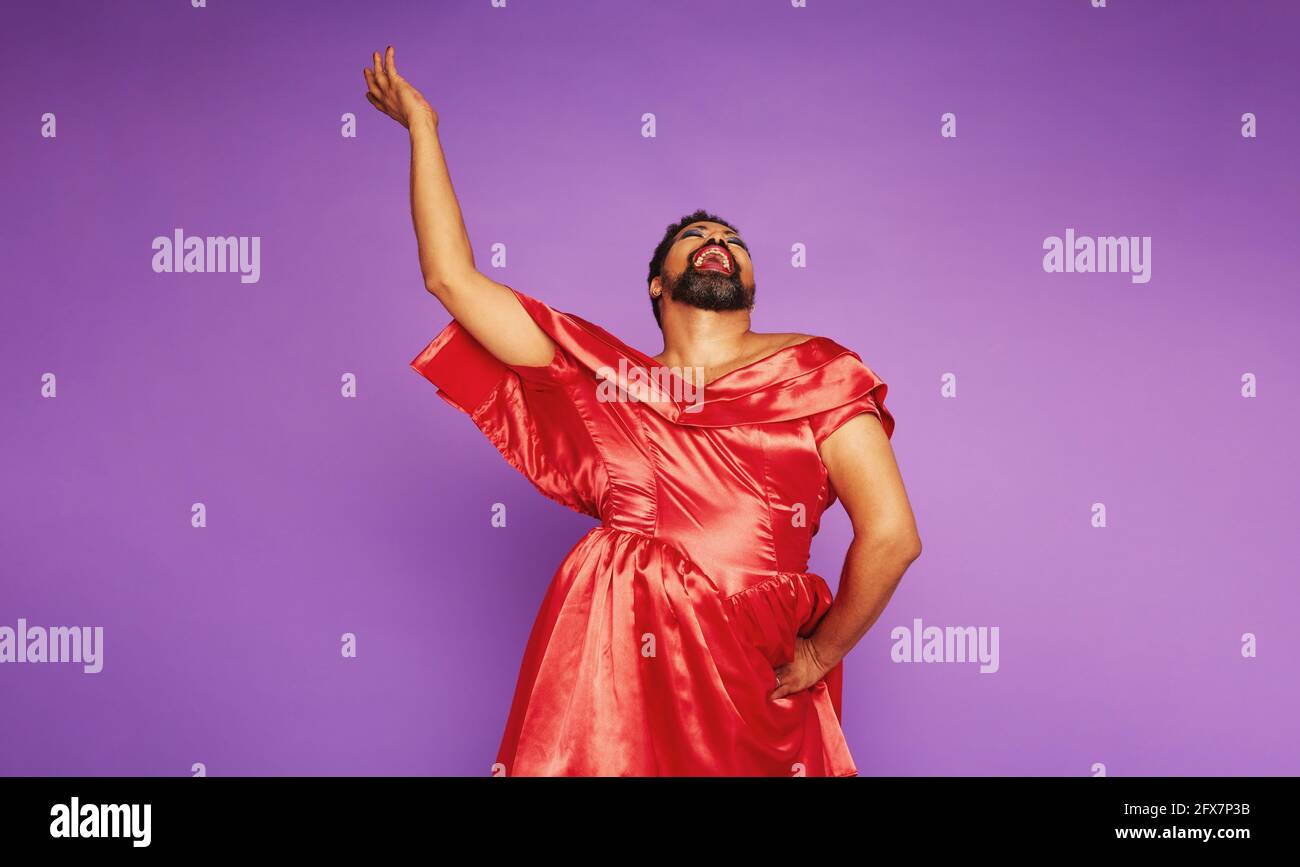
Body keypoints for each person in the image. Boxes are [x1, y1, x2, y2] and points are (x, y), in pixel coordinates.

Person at [365, 46, 922, 776]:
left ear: (752, 280)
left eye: (734, 242)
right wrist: (424, 128)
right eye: (696, 239)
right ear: (658, 283)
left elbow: (892, 536)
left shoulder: (820, 372)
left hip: (750, 663)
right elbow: (451, 277)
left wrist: (823, 650)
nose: (717, 245)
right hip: (610, 656)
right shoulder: (603, 377)